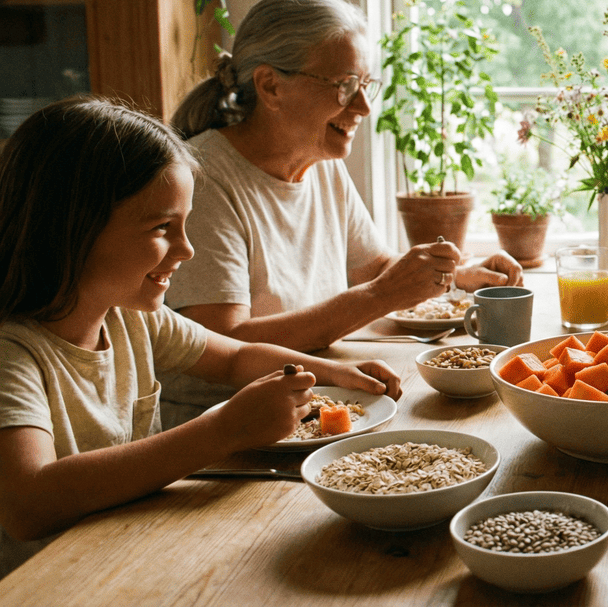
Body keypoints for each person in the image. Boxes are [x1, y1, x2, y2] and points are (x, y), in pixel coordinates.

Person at [0, 98, 402, 576]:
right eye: (163, 227)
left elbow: (234, 358)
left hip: (127, 553)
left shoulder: (129, 318)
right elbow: (28, 506)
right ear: (72, 226)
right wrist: (225, 430)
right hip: (54, 583)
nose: (187, 249)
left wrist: (335, 374)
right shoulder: (13, 353)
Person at [162, 0, 521, 425]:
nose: (364, 106)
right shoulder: (204, 180)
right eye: (345, 86)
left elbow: (373, 267)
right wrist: (382, 295)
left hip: (317, 406)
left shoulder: (320, 163)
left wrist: (456, 274)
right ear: (271, 86)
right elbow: (224, 342)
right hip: (226, 429)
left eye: (365, 84)